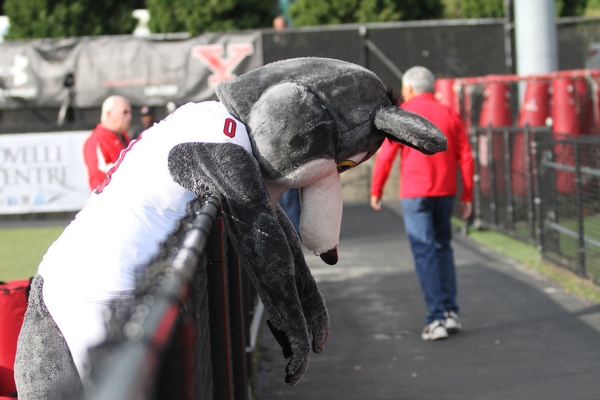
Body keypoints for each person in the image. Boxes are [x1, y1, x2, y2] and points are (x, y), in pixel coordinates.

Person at [370, 66, 474, 341]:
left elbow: (386, 156)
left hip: (415, 193)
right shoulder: (450, 113)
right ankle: (451, 312)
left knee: (425, 252)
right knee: (443, 248)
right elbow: (466, 155)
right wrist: (468, 196)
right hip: (446, 191)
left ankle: (435, 319)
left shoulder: (405, 113)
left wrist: (377, 188)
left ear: (410, 89)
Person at [83, 95, 132, 191]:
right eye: (124, 112)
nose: (129, 116)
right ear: (109, 113)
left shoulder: (123, 137)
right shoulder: (97, 140)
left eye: (130, 112)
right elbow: (100, 174)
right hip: (110, 200)